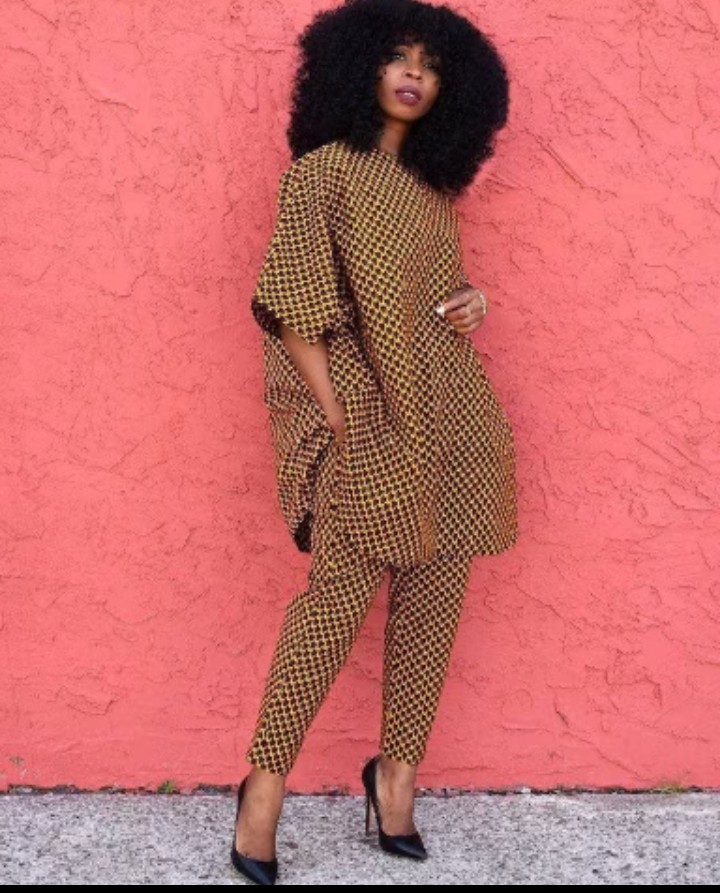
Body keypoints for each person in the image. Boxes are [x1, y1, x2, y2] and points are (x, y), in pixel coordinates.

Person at [232, 0, 518, 884]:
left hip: (451, 415)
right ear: (358, 68)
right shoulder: (322, 174)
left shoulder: (432, 194)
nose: (414, 73)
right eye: (398, 56)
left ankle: (396, 775)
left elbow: (439, 298)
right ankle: (263, 788)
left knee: (434, 603)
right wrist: (341, 418)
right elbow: (293, 309)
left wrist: (473, 301)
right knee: (332, 609)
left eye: (431, 64)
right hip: (365, 415)